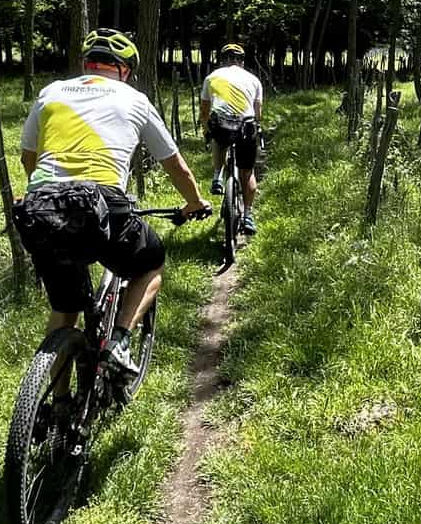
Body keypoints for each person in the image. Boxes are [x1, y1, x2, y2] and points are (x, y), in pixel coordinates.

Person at [14, 28, 208, 377]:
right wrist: (194, 202)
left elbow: (29, 158)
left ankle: (57, 404)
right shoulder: (134, 99)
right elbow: (174, 165)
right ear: (125, 70)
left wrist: (44, 190)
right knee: (151, 263)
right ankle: (118, 342)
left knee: (65, 307)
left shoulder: (51, 92)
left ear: (87, 64)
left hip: (40, 205)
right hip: (101, 202)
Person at [201, 42, 264, 235]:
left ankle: (217, 176)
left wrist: (205, 130)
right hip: (246, 127)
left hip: (221, 126)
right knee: (247, 173)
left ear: (222, 60)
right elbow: (257, 113)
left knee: (217, 138)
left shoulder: (211, 77)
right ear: (242, 62)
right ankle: (247, 215)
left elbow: (204, 110)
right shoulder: (254, 80)